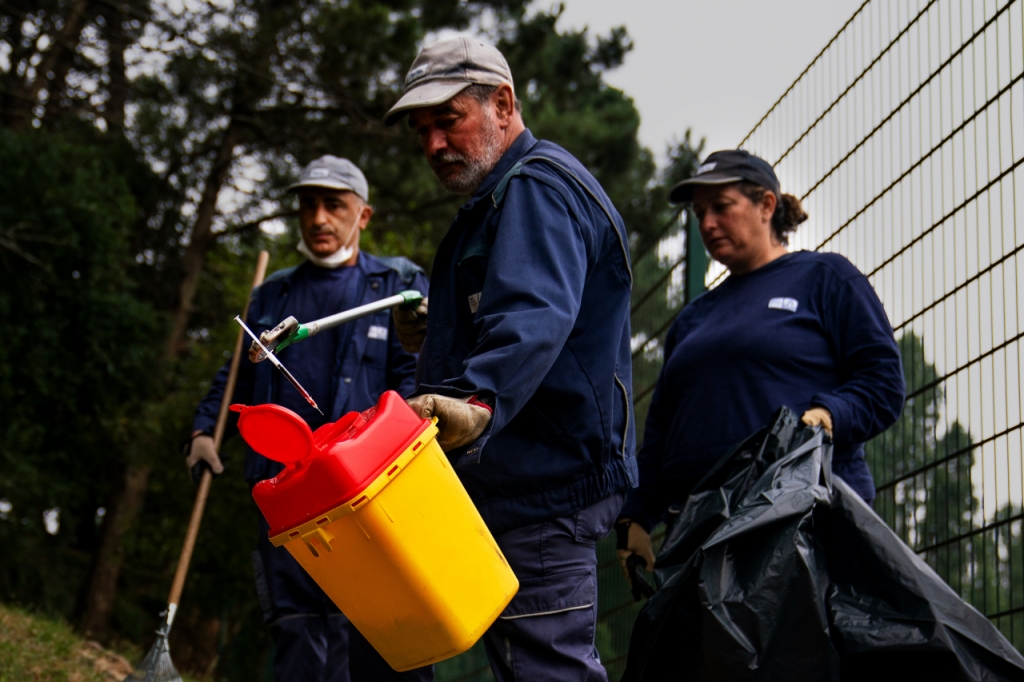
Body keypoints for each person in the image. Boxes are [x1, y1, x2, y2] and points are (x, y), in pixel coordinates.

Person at [384, 37, 637, 682]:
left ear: (503, 103)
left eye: (449, 121)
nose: (434, 145)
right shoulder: (497, 201)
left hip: (543, 488)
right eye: (422, 131)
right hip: (518, 483)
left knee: (547, 671)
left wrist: (477, 400)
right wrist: (438, 329)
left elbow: (533, 315)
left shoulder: (535, 187)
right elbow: (514, 312)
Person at [187, 155, 432, 682]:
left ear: (363, 216)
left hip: (364, 495)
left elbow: (416, 387)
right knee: (296, 630)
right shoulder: (272, 293)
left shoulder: (398, 285)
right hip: (284, 495)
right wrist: (206, 431)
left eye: (334, 205)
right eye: (307, 205)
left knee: (367, 633)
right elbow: (236, 376)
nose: (319, 218)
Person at [616, 149, 906, 573]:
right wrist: (635, 517)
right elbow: (661, 436)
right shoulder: (692, 319)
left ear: (766, 204)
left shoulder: (825, 278)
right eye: (699, 213)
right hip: (702, 540)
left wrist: (828, 415)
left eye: (722, 207)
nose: (707, 224)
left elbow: (883, 383)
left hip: (806, 529)